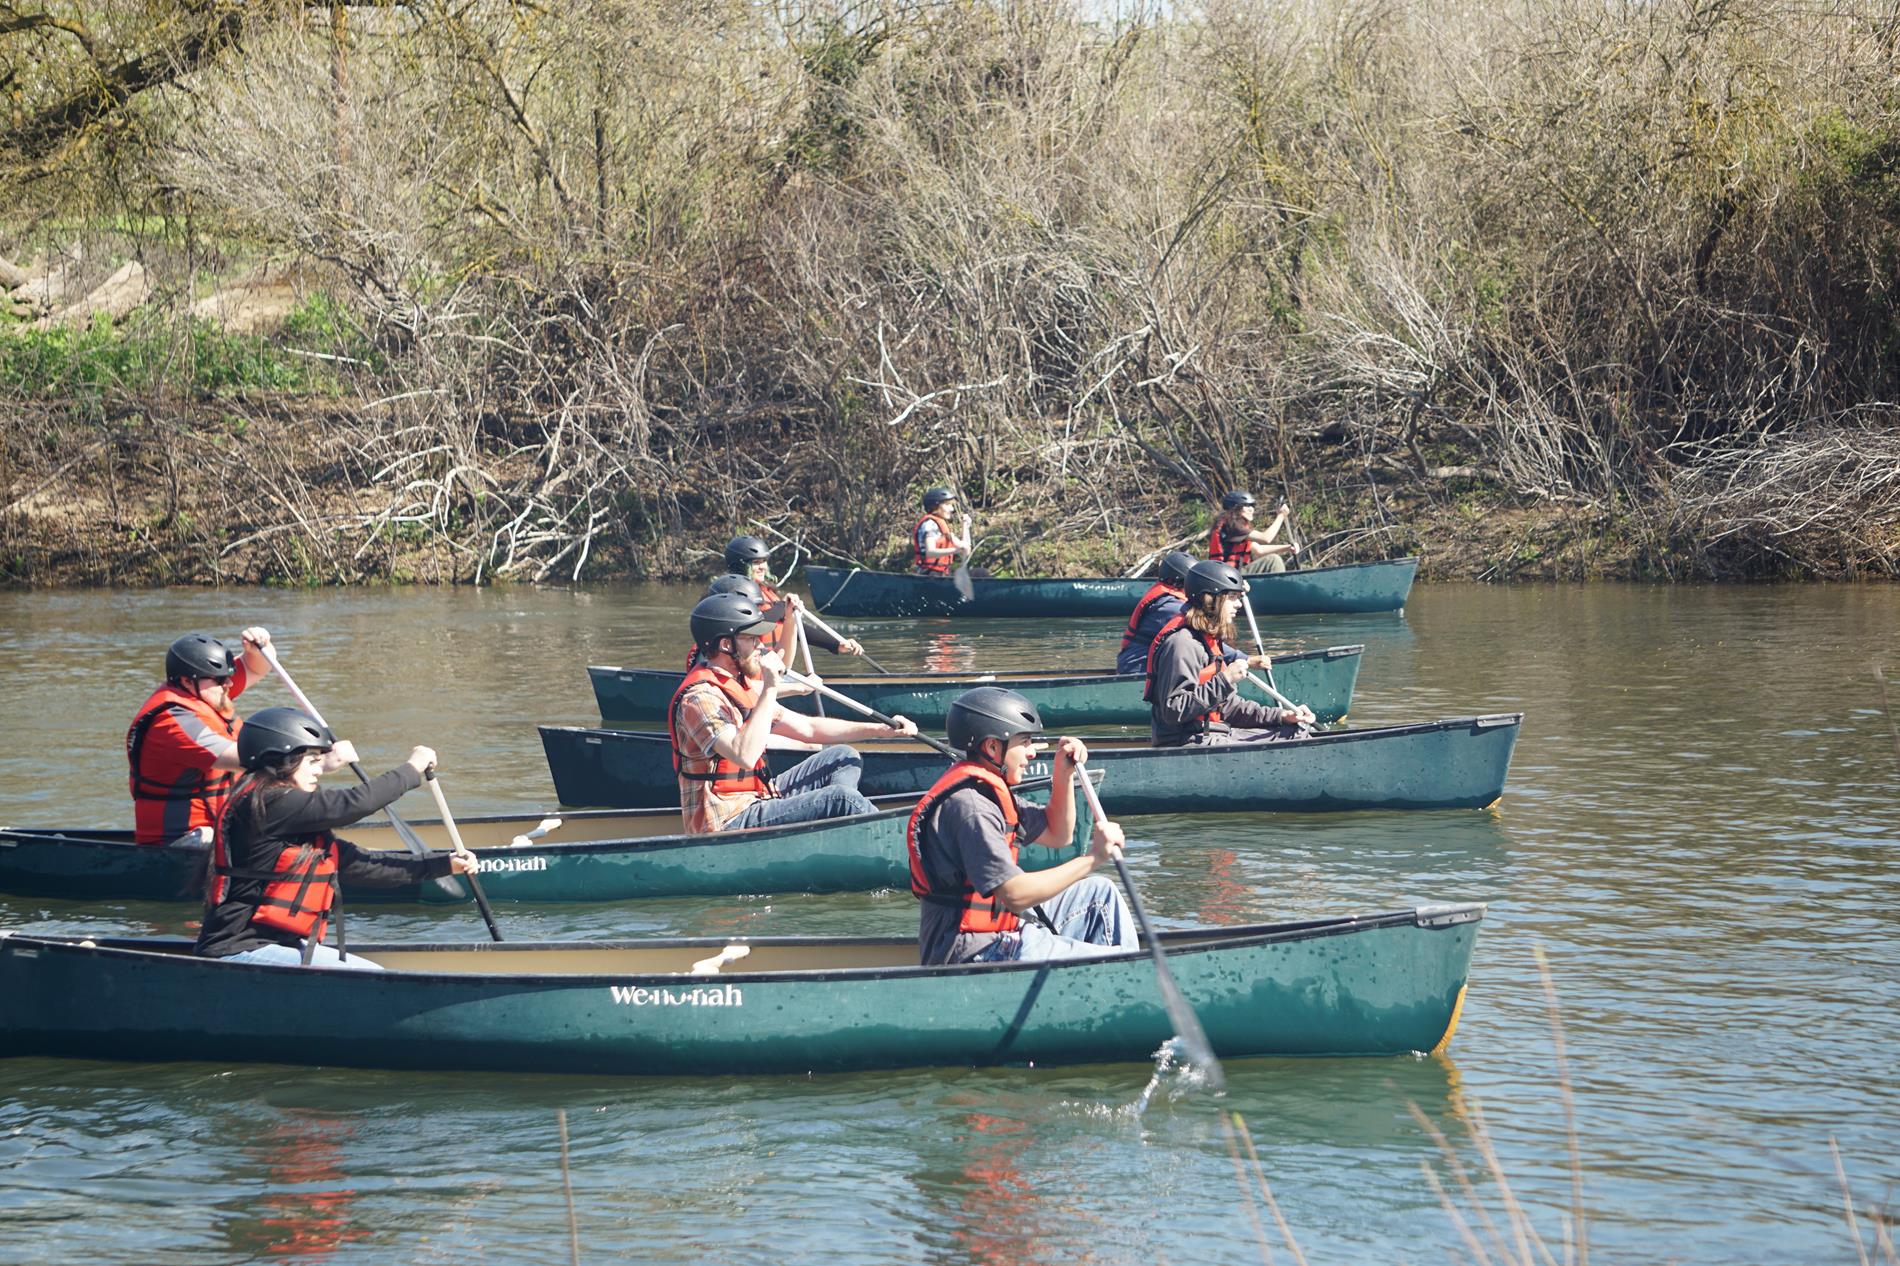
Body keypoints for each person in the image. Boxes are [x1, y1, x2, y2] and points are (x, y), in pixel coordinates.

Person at [195, 707, 479, 970]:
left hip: (276, 945)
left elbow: (364, 865)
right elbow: (355, 804)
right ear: (282, 759)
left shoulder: (290, 818)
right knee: (374, 979)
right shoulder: (268, 803)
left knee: (375, 974)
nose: (320, 769)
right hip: (238, 951)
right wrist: (412, 768)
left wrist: (443, 864)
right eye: (313, 761)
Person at [907, 687, 1137, 966]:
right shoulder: (972, 808)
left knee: (1100, 893)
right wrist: (1093, 859)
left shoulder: (990, 794)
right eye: (1025, 742)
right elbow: (1015, 895)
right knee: (1117, 957)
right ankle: (1125, 976)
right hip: (970, 951)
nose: (1031, 753)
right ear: (992, 747)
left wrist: (1061, 774)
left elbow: (1058, 834)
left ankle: (1120, 976)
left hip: (998, 931)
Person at [669, 593, 920, 835]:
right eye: (751, 638)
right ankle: (893, 843)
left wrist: (880, 730)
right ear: (726, 644)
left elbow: (808, 729)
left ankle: (840, 829)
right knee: (841, 798)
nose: (760, 645)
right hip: (726, 820)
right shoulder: (699, 699)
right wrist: (770, 687)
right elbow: (743, 755)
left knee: (843, 756)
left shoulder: (739, 685)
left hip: (759, 796)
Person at [127, 628, 276, 846]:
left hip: (219, 827)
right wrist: (316, 756)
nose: (229, 684)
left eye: (228, 676)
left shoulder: (208, 692)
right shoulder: (171, 722)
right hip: (178, 843)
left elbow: (257, 667)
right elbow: (242, 759)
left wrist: (257, 649)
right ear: (187, 681)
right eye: (221, 679)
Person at [1144, 560, 1316, 746]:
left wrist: (1282, 715)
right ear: (1209, 600)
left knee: (1297, 729)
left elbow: (1230, 708)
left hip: (1214, 733)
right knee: (1297, 739)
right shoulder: (1182, 644)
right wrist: (1225, 680)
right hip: (1187, 742)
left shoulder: (1207, 640)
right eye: (1232, 597)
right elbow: (1173, 711)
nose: (1239, 605)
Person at [721, 535, 864, 659]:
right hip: (748, 666)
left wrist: (836, 644)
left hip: (772, 665)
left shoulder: (766, 591)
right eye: (756, 563)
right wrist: (783, 608)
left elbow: (792, 628)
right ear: (740, 566)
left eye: (764, 561)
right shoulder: (730, 593)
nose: (763, 567)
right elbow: (751, 626)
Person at [1115, 550, 1195, 676]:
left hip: (1141, 667)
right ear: (1178, 582)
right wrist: (1236, 657)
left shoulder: (1166, 598)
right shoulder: (1171, 608)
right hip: (1136, 671)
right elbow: (1203, 630)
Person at [1207, 490, 1298, 573]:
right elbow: (1266, 538)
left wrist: (1288, 547)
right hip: (1228, 575)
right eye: (1246, 506)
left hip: (1231, 574)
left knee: (1273, 559)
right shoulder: (1231, 527)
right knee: (1274, 560)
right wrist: (1281, 516)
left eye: (1252, 506)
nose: (1251, 509)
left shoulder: (1234, 528)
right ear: (1235, 509)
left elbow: (1259, 550)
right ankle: (1280, 590)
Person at [912, 487, 972, 578]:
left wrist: (965, 526)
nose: (951, 509)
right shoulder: (929, 524)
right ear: (935, 506)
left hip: (943, 573)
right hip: (930, 574)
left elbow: (965, 550)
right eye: (947, 505)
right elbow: (930, 552)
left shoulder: (943, 526)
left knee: (981, 573)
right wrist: (955, 550)